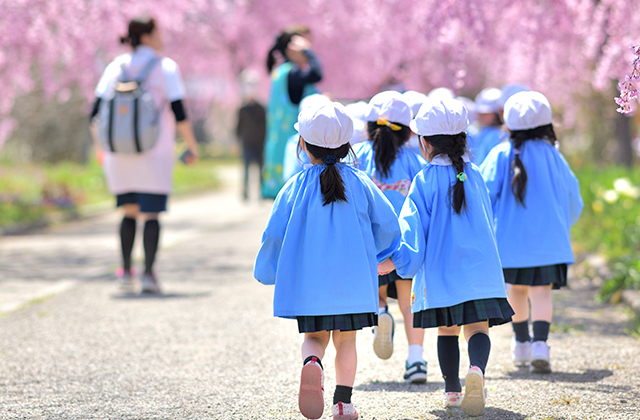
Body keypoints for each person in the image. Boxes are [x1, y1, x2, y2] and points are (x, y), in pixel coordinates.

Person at [254, 102, 400, 420]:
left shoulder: (295, 186)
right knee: (346, 342)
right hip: (353, 282)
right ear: (348, 145)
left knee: (314, 338)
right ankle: (343, 404)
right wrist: (384, 255)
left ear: (302, 145)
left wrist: (268, 270)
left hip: (311, 285)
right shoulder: (360, 182)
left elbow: (274, 233)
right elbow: (388, 224)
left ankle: (312, 363)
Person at [378, 97, 514, 416]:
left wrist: (395, 264)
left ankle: (452, 390)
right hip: (480, 272)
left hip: (442, 274)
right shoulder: (474, 174)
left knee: (447, 331)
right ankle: (477, 370)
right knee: (478, 329)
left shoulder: (423, 181)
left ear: (423, 143)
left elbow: (412, 234)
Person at [90, 16, 199, 293]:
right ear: (148, 36)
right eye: (159, 32)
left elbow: (95, 113)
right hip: (155, 151)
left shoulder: (116, 66)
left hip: (118, 154)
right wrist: (191, 145)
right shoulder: (165, 67)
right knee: (151, 213)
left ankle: (126, 272)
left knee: (128, 210)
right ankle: (148, 274)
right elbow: (179, 111)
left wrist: (100, 147)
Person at [480, 91, 583, 373]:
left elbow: (484, 195)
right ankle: (540, 344)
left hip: (510, 242)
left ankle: (521, 343)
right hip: (550, 242)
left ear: (508, 123)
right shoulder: (555, 156)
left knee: (516, 290)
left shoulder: (500, 153)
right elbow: (574, 198)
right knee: (541, 293)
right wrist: (563, 225)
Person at [352, 91, 428, 383]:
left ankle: (381, 313)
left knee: (378, 289)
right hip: (405, 244)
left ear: (370, 127)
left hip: (373, 243)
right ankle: (416, 359)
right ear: (408, 130)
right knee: (409, 301)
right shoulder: (413, 161)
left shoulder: (360, 158)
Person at [262, 26, 322, 199]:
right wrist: (309, 53)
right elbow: (317, 74)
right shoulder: (293, 73)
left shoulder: (280, 73)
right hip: (295, 151)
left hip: (278, 148)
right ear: (293, 48)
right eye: (305, 46)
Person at [236, 70, 266, 201]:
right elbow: (238, 126)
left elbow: (265, 125)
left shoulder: (261, 108)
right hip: (247, 142)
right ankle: (245, 192)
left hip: (259, 143)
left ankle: (262, 191)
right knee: (247, 168)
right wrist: (237, 141)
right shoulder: (242, 109)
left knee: (260, 169)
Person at [469, 87, 505, 165]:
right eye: (479, 112)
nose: (480, 116)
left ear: (497, 113)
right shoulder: (483, 132)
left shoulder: (497, 135)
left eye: (485, 113)